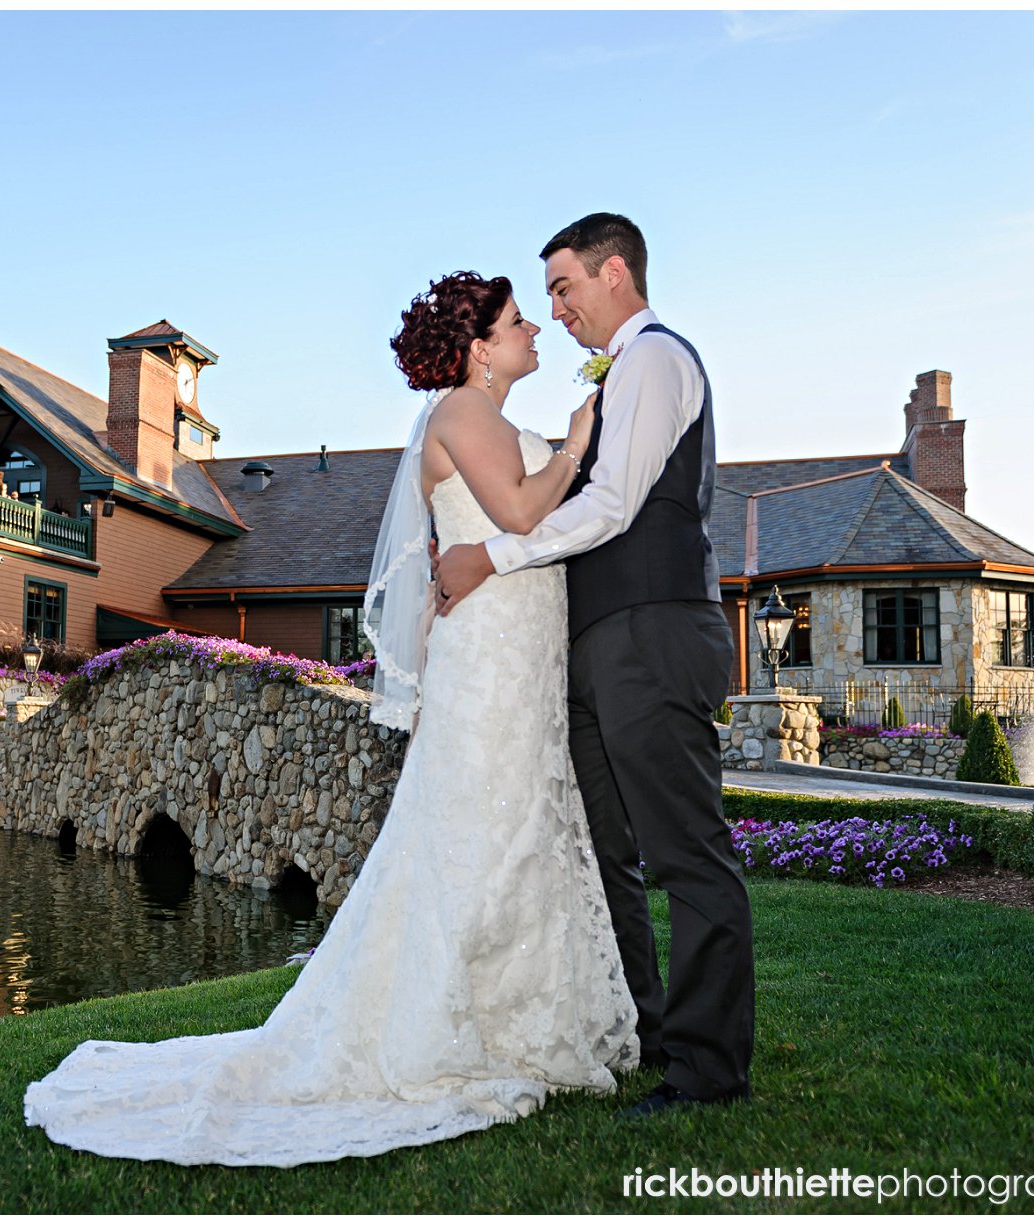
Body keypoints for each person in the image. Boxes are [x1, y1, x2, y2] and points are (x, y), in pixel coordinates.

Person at [25, 270, 632, 1166]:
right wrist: (577, 447)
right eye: (516, 320)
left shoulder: (494, 421)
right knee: (477, 831)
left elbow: (517, 523)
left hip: (522, 643)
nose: (534, 328)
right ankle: (451, 1025)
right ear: (476, 347)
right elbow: (514, 511)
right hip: (489, 654)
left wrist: (559, 459)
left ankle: (518, 1016)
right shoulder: (460, 412)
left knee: (516, 827)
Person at [435, 214, 749, 1118]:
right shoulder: (615, 377)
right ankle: (647, 1027)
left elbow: (613, 503)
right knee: (608, 851)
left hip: (654, 630)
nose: (558, 310)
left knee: (686, 854)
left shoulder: (654, 358)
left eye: (565, 288)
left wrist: (489, 556)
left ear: (616, 273)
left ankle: (710, 1069)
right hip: (598, 643)